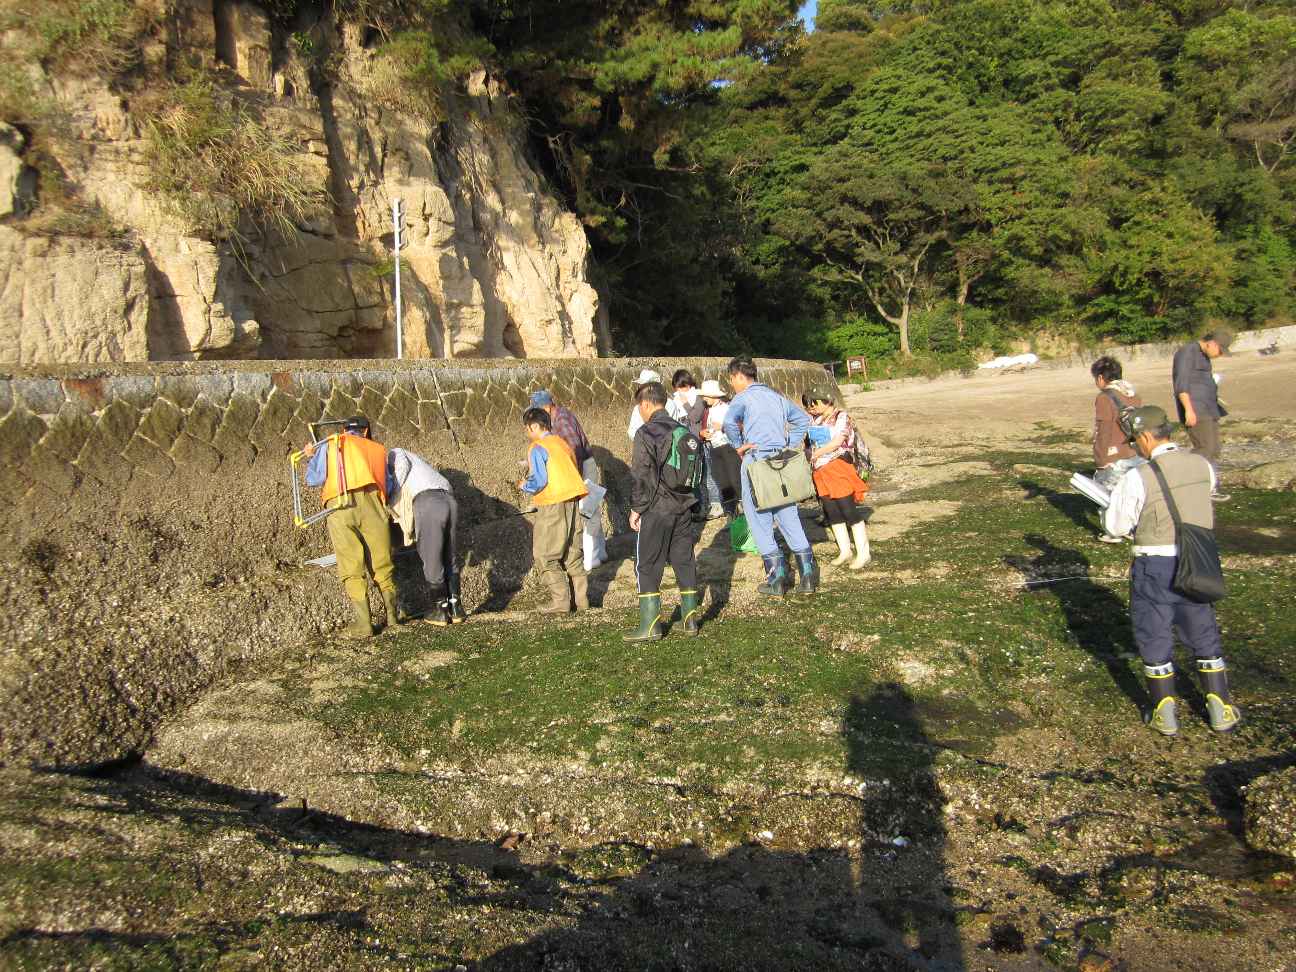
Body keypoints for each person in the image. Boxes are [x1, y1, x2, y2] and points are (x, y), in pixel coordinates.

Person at [1102, 405, 1241, 736]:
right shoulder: (1202, 464)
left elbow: (1116, 525)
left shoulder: (1137, 477)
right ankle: (1220, 707)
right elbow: (1201, 499)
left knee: (1154, 633)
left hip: (1155, 565)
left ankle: (1165, 712)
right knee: (1202, 629)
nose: (1135, 448)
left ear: (1147, 436)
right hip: (1198, 560)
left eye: (1135, 442)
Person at [721, 356, 816, 596]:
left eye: (732, 380)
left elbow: (729, 423)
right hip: (781, 462)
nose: (732, 385)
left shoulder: (742, 399)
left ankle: (777, 579)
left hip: (756, 462)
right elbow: (802, 420)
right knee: (789, 517)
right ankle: (807, 576)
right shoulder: (776, 397)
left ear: (739, 377)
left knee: (760, 520)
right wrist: (790, 445)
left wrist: (738, 445)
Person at [304, 416, 403, 639]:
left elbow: (315, 479)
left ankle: (364, 624)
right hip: (372, 504)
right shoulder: (377, 449)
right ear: (366, 431)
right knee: (381, 560)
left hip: (339, 504)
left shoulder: (332, 443)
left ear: (344, 430)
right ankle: (393, 617)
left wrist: (311, 457)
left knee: (351, 563)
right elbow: (388, 485)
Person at [624, 382, 702, 642]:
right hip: (684, 505)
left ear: (646, 404)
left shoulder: (646, 432)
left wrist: (637, 509)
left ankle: (650, 625)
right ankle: (690, 619)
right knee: (684, 559)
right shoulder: (685, 430)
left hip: (658, 507)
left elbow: (642, 475)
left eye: (640, 407)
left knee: (647, 564)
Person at [519, 406, 589, 615]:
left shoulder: (537, 447)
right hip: (573, 500)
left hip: (552, 504)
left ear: (533, 426)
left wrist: (524, 485)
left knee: (545, 555)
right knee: (572, 554)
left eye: (526, 428)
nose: (526, 433)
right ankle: (582, 601)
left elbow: (539, 481)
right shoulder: (562, 443)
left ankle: (561, 602)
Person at [387, 447, 465, 626]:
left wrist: (390, 495)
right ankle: (456, 608)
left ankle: (439, 610)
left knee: (432, 556)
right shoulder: (422, 464)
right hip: (449, 498)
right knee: (449, 553)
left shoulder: (395, 453)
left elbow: (401, 467)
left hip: (428, 501)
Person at [529, 390, 607, 570]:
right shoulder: (558, 417)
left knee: (586, 512)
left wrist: (574, 479)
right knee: (591, 510)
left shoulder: (561, 420)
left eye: (537, 411)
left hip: (583, 468)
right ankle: (600, 552)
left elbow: (575, 449)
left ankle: (591, 558)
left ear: (547, 407)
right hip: (583, 466)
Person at [803, 387, 871, 569]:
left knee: (848, 509)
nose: (811, 408)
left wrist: (817, 453)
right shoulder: (815, 420)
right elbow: (808, 443)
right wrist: (811, 453)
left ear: (826, 401)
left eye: (814, 404)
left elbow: (838, 441)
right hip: (820, 470)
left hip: (838, 467)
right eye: (809, 405)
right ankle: (845, 550)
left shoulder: (842, 416)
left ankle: (864, 553)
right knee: (832, 511)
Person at [1171, 326, 1233, 501]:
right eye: (1220, 351)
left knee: (1214, 449)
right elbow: (1181, 384)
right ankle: (1183, 480)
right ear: (1212, 343)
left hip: (1209, 408)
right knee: (1204, 448)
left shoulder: (1204, 357)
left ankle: (1209, 487)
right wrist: (1188, 410)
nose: (1220, 355)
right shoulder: (1186, 352)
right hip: (1196, 409)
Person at [1089, 356, 1143, 543]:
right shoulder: (1133, 394)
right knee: (1129, 493)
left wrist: (1100, 459)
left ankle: (1113, 532)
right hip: (1134, 451)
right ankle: (1130, 527)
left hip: (1113, 453)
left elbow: (1103, 430)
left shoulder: (1104, 398)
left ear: (1101, 378)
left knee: (1106, 494)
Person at [699, 378, 741, 517]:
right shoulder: (708, 410)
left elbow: (737, 427)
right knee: (722, 480)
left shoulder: (726, 408)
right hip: (714, 447)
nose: (704, 398)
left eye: (706, 395)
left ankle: (743, 508)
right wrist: (704, 433)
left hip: (728, 447)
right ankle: (731, 510)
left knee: (734, 478)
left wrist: (722, 427)